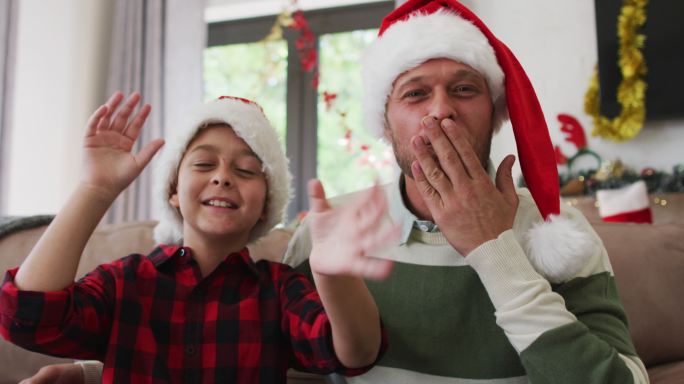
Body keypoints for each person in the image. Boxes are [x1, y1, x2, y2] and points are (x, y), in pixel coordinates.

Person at [17, 0, 650, 382]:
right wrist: (98, 369)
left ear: (496, 112)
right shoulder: (333, 230)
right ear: (385, 120)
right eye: (414, 93)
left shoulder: (559, 236)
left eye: (464, 89)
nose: (442, 114)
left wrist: (496, 250)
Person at [0, 92, 397, 383]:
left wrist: (335, 276)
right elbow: (28, 318)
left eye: (245, 170)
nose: (222, 176)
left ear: (265, 206)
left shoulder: (279, 289)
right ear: (173, 190)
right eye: (204, 164)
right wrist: (95, 190)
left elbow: (355, 354)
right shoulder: (126, 281)